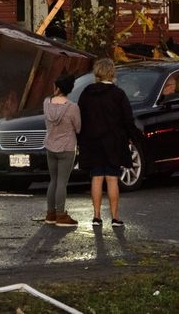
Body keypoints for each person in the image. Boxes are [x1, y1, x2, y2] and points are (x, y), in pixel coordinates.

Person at [78, 58, 142, 229]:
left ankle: (97, 216)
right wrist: (133, 136)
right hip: (114, 141)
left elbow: (81, 117)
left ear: (96, 72)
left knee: (97, 178)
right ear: (112, 73)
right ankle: (115, 217)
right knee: (112, 179)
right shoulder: (118, 94)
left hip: (93, 141)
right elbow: (127, 119)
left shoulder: (86, 93)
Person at [42, 73, 82, 227]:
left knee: (53, 180)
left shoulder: (46, 103)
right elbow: (78, 128)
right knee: (62, 183)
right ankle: (61, 215)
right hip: (66, 148)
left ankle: (50, 214)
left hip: (50, 146)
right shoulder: (72, 107)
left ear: (58, 88)